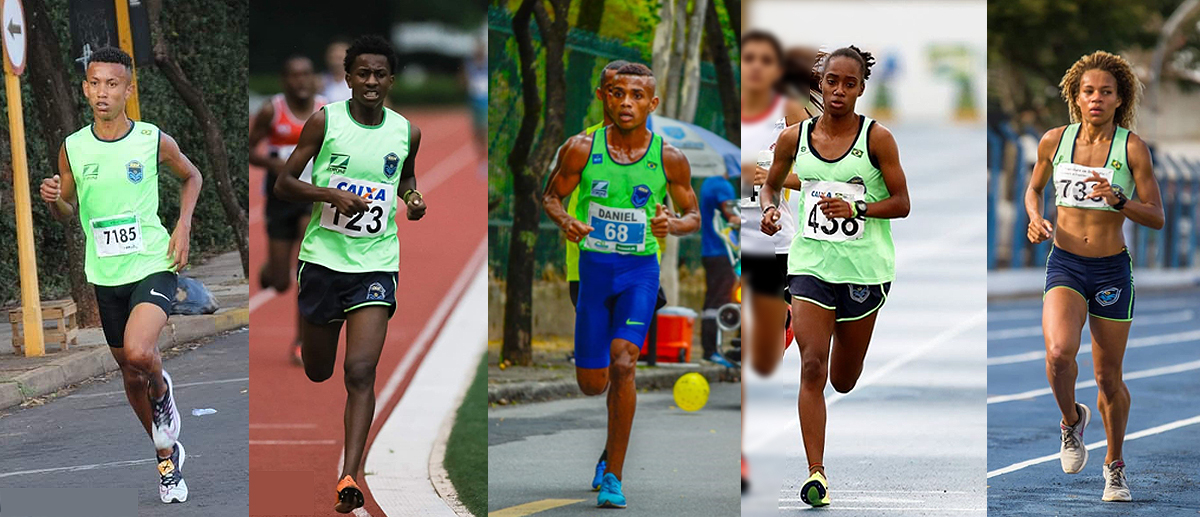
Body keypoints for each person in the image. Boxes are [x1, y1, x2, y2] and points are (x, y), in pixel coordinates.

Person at [39, 47, 202, 504]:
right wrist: (54, 198)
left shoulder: (152, 140)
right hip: (105, 274)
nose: (102, 93)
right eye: (95, 84)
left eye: (113, 84)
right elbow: (66, 212)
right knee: (131, 377)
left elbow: (193, 176)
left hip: (153, 262)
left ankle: (164, 388)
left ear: (129, 89)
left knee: (139, 351)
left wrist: (183, 224)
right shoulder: (73, 147)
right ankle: (167, 459)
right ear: (86, 88)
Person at [273, 35, 428, 514]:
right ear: (347, 78)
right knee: (320, 371)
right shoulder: (325, 122)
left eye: (380, 74)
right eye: (363, 73)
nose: (372, 82)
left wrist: (413, 198)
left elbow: (404, 177)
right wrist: (330, 196)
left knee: (360, 370)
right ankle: (321, 329)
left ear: (391, 80)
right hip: (322, 260)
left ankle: (349, 475)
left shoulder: (407, 132)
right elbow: (284, 183)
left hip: (376, 263)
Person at [543, 63, 700, 508]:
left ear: (653, 103)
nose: (625, 102)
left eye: (636, 95)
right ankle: (611, 445)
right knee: (593, 383)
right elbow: (550, 195)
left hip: (639, 272)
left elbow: (693, 215)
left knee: (624, 363)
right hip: (592, 272)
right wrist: (565, 220)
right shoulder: (579, 149)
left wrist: (674, 222)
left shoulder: (668, 157)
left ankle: (614, 474)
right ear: (603, 97)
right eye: (617, 93)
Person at [760, 45, 910, 507]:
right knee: (811, 366)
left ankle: (842, 377)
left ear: (862, 89)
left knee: (842, 380)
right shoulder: (794, 138)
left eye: (850, 84)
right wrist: (769, 209)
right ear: (819, 84)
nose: (839, 91)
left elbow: (902, 204)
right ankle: (816, 474)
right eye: (832, 82)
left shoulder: (877, 139)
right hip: (810, 266)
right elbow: (771, 182)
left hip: (865, 269)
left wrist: (858, 206)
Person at [1024, 50, 1163, 503]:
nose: (1097, 98)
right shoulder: (1054, 141)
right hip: (1065, 262)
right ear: (1076, 97)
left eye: (1106, 91)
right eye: (1089, 91)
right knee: (1059, 354)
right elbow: (1034, 188)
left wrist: (1121, 200)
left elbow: (1157, 215)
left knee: (1108, 379)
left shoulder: (1132, 147)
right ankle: (1070, 422)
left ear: (1119, 98)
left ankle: (1115, 465)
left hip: (1110, 271)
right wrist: (1035, 217)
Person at [739, 31, 823, 493]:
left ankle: (789, 314)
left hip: (783, 242)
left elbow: (814, 177)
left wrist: (772, 177)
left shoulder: (787, 114)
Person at [249, 55, 327, 364]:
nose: (301, 81)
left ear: (313, 78)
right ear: (285, 80)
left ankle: (301, 342)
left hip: (312, 196)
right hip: (280, 197)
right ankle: (270, 270)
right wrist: (273, 164)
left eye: (306, 74)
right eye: (294, 76)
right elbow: (250, 151)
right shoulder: (272, 110)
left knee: (306, 270)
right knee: (281, 281)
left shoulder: (326, 110)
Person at [698, 170, 739, 369]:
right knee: (719, 301)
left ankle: (711, 349)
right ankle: (712, 351)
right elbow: (731, 215)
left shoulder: (707, 182)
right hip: (722, 251)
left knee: (712, 302)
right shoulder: (722, 186)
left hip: (710, 251)